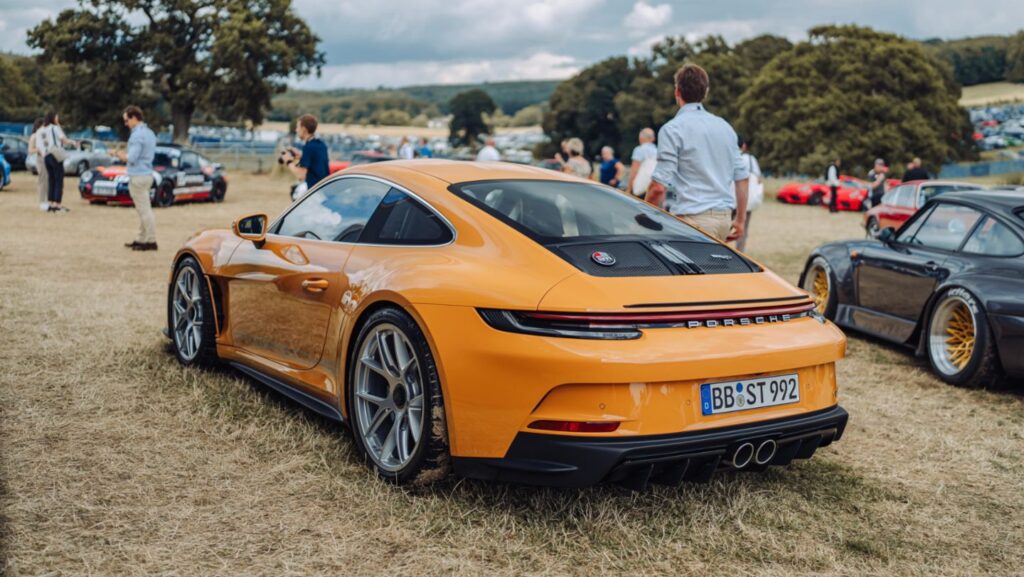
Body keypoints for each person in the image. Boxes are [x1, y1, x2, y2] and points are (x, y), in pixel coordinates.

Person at [645, 64, 749, 242]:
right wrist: (740, 220)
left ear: (677, 91)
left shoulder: (672, 129)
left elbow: (658, 187)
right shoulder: (725, 127)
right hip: (723, 219)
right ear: (706, 92)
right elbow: (742, 178)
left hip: (691, 220)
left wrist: (643, 216)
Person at [115, 105, 158, 251]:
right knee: (143, 209)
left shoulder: (137, 135)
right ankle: (142, 238)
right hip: (147, 174)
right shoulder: (150, 133)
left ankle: (151, 240)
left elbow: (132, 158)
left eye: (126, 120)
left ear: (134, 118)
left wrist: (118, 155)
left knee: (144, 210)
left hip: (138, 175)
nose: (126, 124)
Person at [39, 111, 76, 213]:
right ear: (53, 118)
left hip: (47, 155)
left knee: (51, 180)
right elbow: (63, 139)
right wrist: (72, 142)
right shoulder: (55, 128)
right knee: (59, 179)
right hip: (56, 154)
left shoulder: (43, 129)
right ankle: (57, 204)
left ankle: (50, 203)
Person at [284, 114, 330, 192]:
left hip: (315, 192)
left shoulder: (308, 147)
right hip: (325, 189)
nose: (296, 130)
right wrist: (301, 156)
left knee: (295, 192)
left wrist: (288, 161)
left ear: (304, 129)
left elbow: (301, 176)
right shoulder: (321, 145)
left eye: (297, 127)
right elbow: (316, 163)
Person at [736, 136, 762, 252]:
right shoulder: (751, 160)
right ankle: (740, 252)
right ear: (744, 146)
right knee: (743, 228)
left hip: (730, 200)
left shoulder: (731, 158)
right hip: (746, 199)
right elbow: (759, 178)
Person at [626, 127, 657, 197]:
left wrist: (628, 189)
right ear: (653, 139)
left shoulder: (639, 150)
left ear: (641, 138)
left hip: (640, 188)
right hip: (653, 187)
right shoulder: (658, 151)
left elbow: (634, 170)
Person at [28, 118, 49, 211]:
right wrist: (38, 149)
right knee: (42, 180)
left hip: (47, 159)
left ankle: (47, 200)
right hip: (40, 160)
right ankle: (42, 201)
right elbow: (30, 150)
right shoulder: (34, 136)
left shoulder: (43, 136)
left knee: (48, 181)